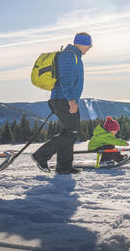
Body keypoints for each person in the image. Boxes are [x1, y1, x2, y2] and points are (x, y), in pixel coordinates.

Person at [31, 32, 92, 174]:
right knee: (71, 132)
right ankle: (40, 155)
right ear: (83, 43)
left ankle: (64, 167)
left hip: (63, 99)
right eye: (89, 45)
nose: (89, 48)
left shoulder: (73, 55)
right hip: (64, 99)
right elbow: (65, 78)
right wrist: (71, 100)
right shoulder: (70, 55)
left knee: (69, 132)